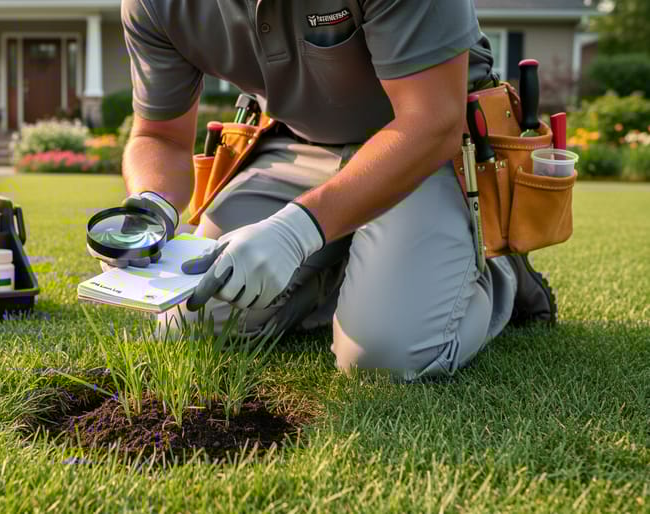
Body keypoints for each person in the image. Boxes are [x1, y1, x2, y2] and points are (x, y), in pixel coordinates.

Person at [91, 0, 558, 382]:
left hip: (428, 150)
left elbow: (433, 121)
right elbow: (160, 137)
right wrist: (150, 206)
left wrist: (295, 232)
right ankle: (342, 266)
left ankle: (495, 269)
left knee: (384, 356)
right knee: (190, 323)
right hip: (299, 146)